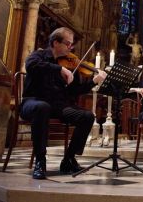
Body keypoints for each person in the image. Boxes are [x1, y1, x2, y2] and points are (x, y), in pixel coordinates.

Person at [21, 27, 107, 179]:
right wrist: (58, 68)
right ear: (55, 42)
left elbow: (74, 91)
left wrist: (93, 82)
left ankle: (69, 159)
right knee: (42, 107)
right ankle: (40, 161)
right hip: (33, 102)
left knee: (87, 116)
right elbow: (30, 65)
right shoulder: (39, 55)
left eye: (71, 45)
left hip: (57, 106)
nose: (70, 48)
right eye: (68, 44)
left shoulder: (69, 65)